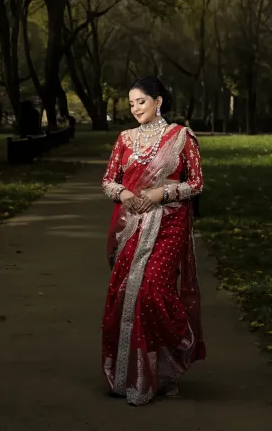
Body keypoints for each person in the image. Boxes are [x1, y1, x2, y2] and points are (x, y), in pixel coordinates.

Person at [101, 75, 206, 406]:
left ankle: (169, 361)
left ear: (158, 101)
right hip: (131, 225)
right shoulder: (125, 139)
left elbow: (197, 183)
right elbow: (107, 181)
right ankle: (134, 375)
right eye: (131, 103)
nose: (134, 108)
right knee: (126, 297)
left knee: (152, 292)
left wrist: (163, 192)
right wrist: (126, 193)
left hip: (170, 224)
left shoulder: (182, 138)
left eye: (140, 101)